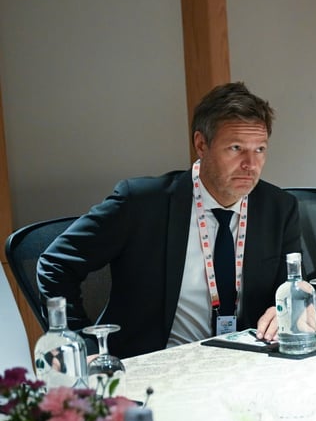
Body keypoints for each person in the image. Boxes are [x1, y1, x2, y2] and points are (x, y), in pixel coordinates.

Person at [38, 81, 300, 359]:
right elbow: (55, 265)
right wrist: (80, 346)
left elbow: (291, 286)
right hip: (155, 365)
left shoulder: (278, 207)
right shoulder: (141, 203)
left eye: (260, 149)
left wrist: (287, 307)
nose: (250, 164)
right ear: (201, 144)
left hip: (246, 362)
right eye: (236, 148)